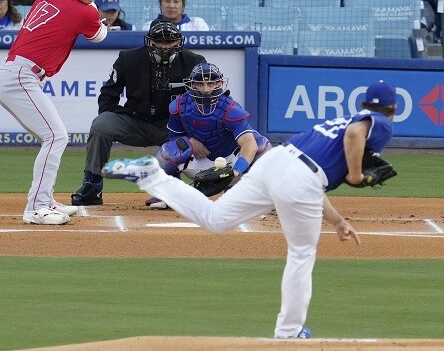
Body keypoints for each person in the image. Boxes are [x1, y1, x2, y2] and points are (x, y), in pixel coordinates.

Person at [103, 80, 398, 338]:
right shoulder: (379, 123)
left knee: (215, 219)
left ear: (361, 102)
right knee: (301, 253)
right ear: (393, 109)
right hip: (300, 177)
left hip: (278, 161)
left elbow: (311, 174)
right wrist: (357, 176)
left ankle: (151, 176)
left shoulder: (338, 122)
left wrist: (336, 220)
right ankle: (289, 331)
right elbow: (355, 136)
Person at [0, 0, 108, 225]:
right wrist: (90, 9)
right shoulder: (85, 12)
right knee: (56, 136)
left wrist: (86, 4)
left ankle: (46, 198)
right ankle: (37, 206)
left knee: (53, 137)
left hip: (15, 74)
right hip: (21, 77)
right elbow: (99, 35)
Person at [71, 18, 205, 206]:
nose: (165, 46)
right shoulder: (128, 58)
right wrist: (124, 115)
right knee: (101, 125)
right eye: (159, 40)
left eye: (170, 41)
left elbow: (204, 103)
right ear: (150, 41)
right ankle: (92, 185)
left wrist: (193, 134)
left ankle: (170, 188)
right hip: (135, 121)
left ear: (178, 41)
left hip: (172, 127)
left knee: (197, 135)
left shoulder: (194, 62)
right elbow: (108, 95)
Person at [143, 62, 271, 209]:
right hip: (199, 163)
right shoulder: (179, 106)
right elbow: (174, 138)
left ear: (219, 83)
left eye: (211, 83)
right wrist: (191, 141)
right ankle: (167, 194)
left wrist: (236, 171)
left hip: (231, 164)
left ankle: (249, 192)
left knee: (262, 145)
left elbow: (249, 143)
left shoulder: (230, 108)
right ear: (192, 84)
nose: (206, 89)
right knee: (169, 150)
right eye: (200, 83)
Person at [142, 0, 209, 31]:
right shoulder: (149, 26)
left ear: (183, 5)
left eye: (176, 1)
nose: (171, 6)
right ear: (160, 4)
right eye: (167, 1)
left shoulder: (197, 23)